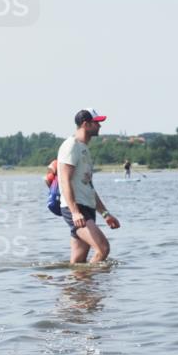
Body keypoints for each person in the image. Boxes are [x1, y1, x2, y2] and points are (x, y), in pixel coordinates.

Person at [58, 109, 120, 264]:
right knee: (103, 248)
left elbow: (89, 187)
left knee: (78, 262)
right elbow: (64, 180)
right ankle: (92, 286)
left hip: (87, 207)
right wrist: (75, 212)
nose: (99, 126)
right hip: (76, 209)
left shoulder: (84, 148)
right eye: (96, 122)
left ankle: (80, 288)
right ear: (86, 124)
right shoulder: (71, 146)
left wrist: (105, 214)